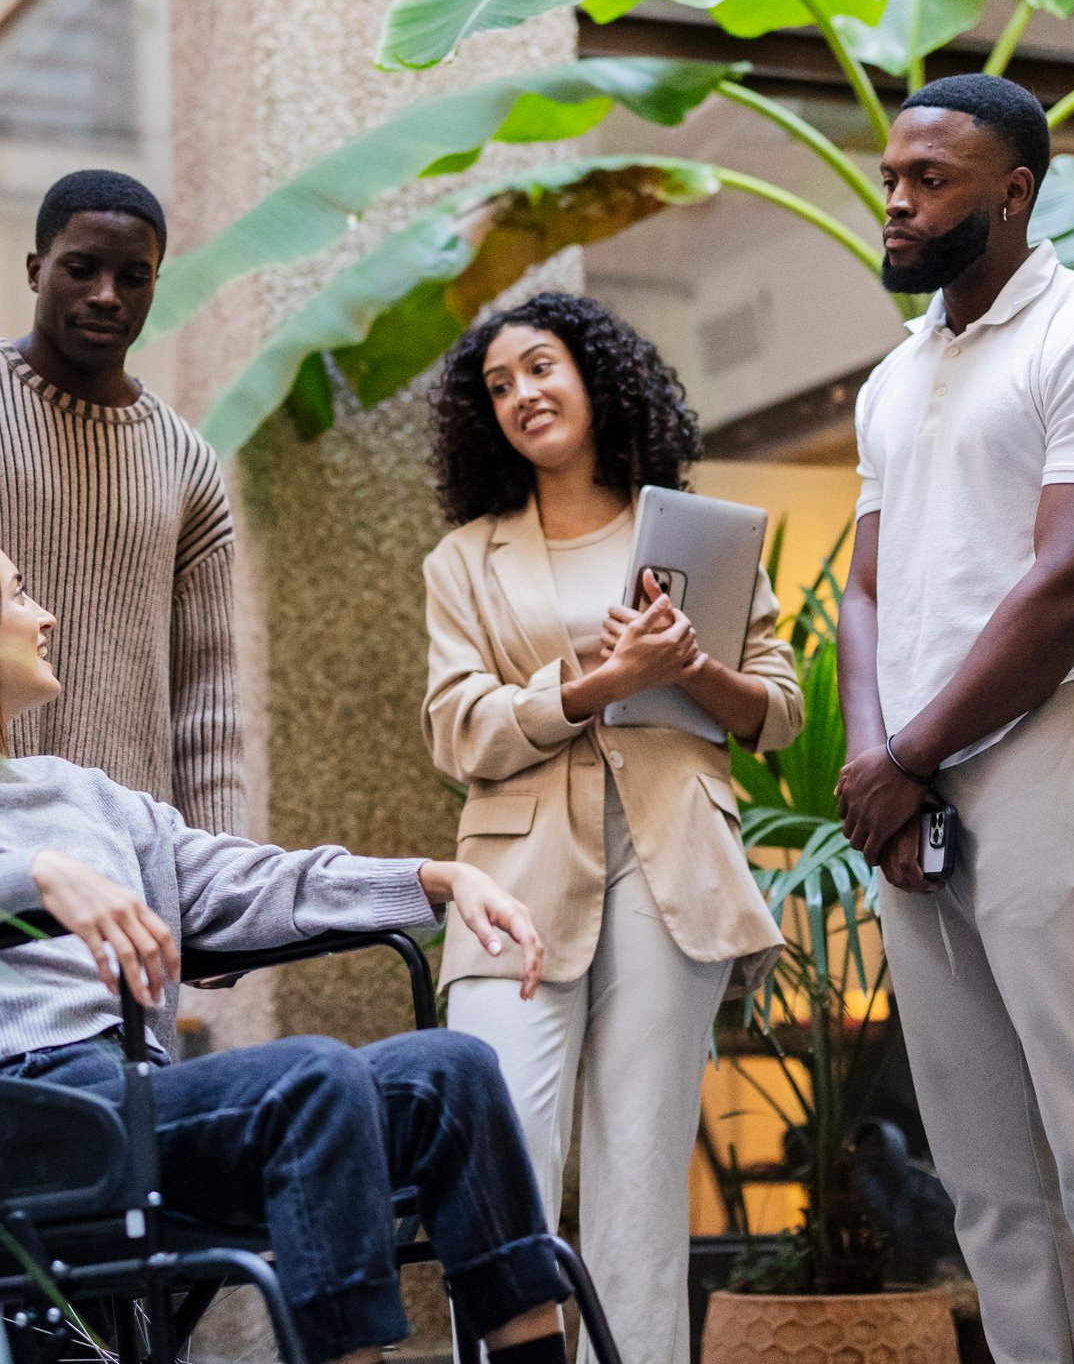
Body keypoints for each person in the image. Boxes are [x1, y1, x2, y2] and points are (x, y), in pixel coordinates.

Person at [0, 526, 574, 1364]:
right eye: (19, 595)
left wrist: (432, 879)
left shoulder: (84, 795)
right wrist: (34, 875)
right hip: (8, 1122)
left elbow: (248, 881)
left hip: (131, 1095)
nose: (47, 615)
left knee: (452, 1072)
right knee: (315, 1077)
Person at [836, 74, 1074, 1364]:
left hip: (1062, 748)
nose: (896, 200)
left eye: (928, 180)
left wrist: (908, 751)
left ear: (1013, 194)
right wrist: (870, 763)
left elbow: (1069, 587)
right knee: (989, 1178)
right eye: (890, 177)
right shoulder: (896, 375)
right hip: (917, 784)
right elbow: (867, 583)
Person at [419, 292, 799, 1364]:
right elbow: (459, 732)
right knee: (504, 1169)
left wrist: (687, 668)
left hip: (671, 864)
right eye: (497, 386)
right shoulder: (464, 561)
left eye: (539, 368)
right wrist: (594, 682)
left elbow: (778, 707)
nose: (521, 396)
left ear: (594, 375)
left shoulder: (694, 533)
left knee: (640, 1181)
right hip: (515, 879)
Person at [0, 169, 243, 834]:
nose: (106, 295)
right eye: (82, 268)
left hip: (131, 855)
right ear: (36, 270)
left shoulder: (189, 465)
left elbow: (208, 711)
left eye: (133, 277)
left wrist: (224, 893)